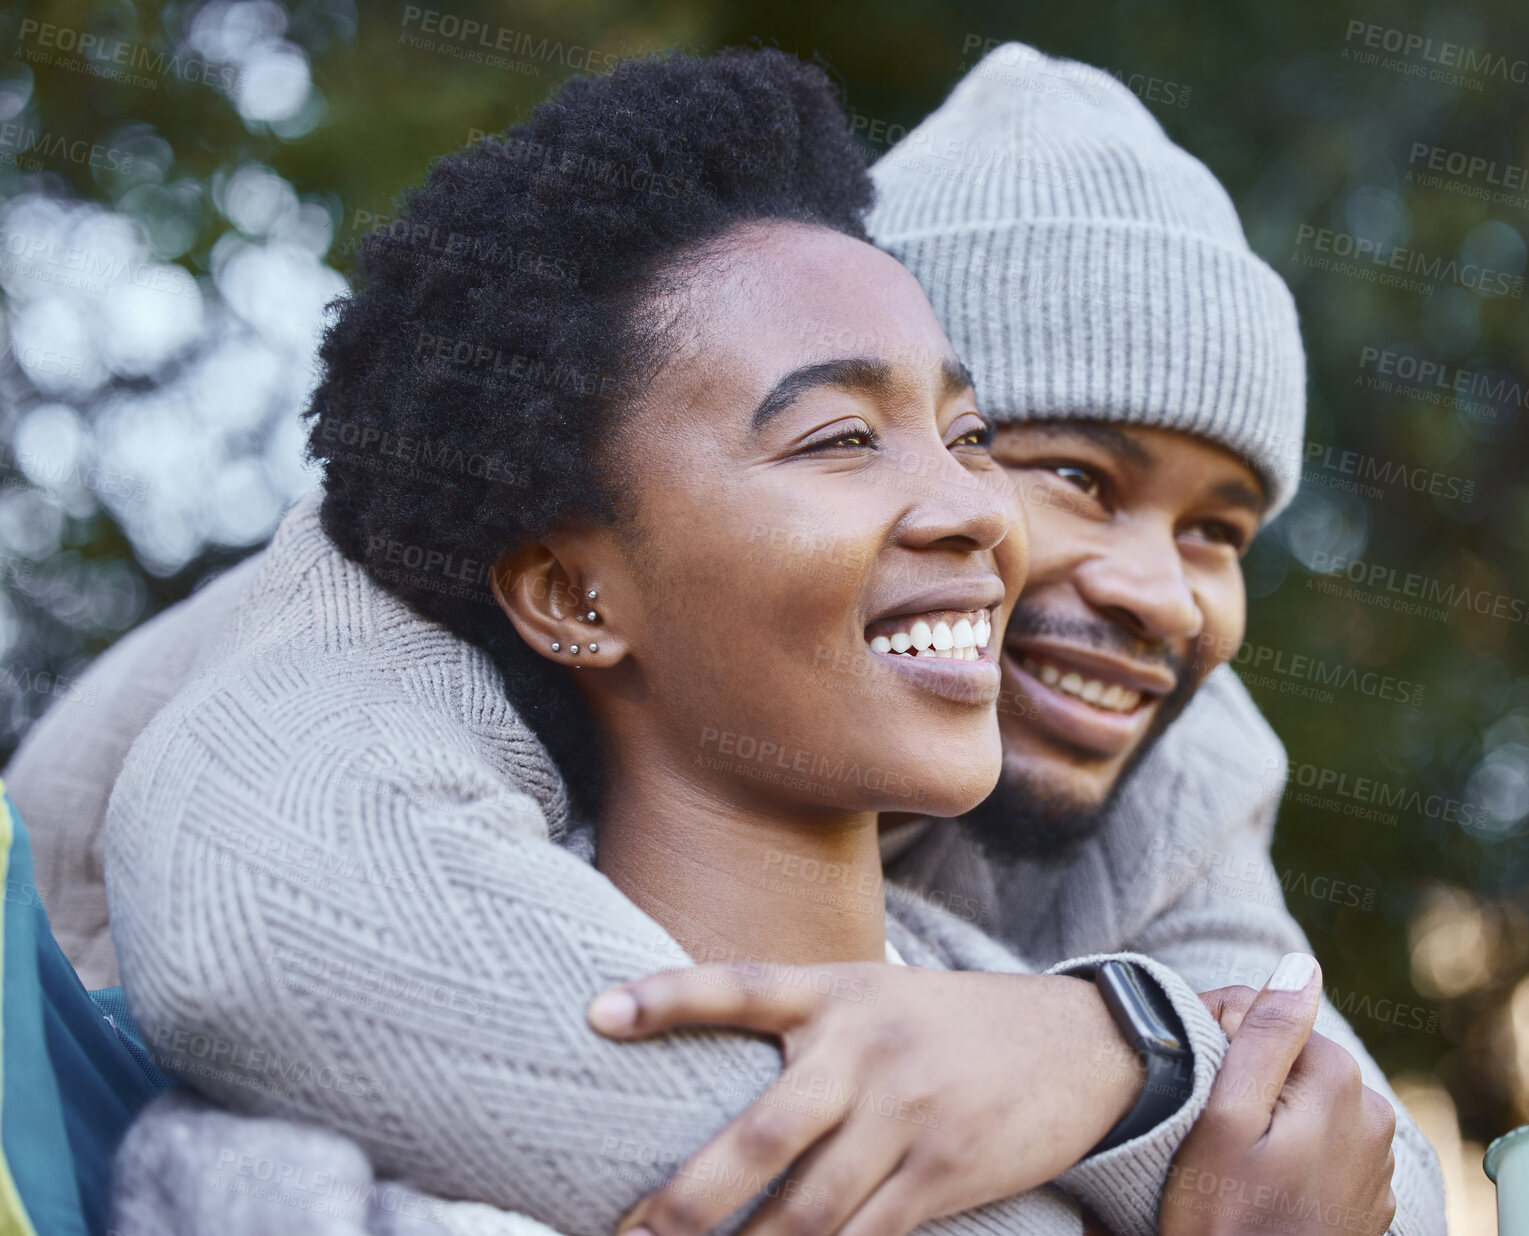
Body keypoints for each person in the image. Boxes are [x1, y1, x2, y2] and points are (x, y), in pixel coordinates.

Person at [7, 42, 1441, 1236]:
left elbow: (1353, 1154)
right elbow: (281, 948)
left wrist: (1109, 1053)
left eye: (1219, 528)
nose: (1161, 593)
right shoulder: (404, 591)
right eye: (1067, 471)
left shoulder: (1163, 730)